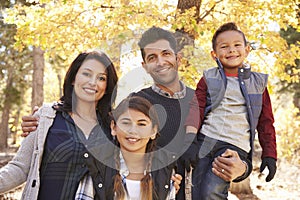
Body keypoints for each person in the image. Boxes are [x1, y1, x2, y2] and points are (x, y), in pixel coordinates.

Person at [20, 26, 251, 199]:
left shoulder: (204, 100)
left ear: (178, 58)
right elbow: (111, 151)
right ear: (145, 66)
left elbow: (232, 142)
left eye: (166, 54)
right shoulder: (136, 104)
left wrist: (242, 169)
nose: (160, 62)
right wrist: (45, 123)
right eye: (152, 58)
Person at [0, 50, 119, 199]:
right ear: (73, 78)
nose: (93, 82)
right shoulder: (46, 117)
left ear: (107, 86)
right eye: (86, 74)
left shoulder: (113, 127)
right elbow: (20, 168)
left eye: (101, 78)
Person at [184, 22, 277, 199]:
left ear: (247, 49)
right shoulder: (208, 78)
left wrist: (270, 156)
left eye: (237, 45)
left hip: (233, 146)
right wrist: (190, 141)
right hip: (206, 140)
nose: (231, 50)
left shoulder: (258, 84)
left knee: (212, 191)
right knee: (196, 192)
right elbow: (196, 109)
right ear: (214, 54)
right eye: (224, 47)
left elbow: (266, 123)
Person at [85, 96, 182, 199]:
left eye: (141, 124)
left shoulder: (164, 167)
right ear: (113, 127)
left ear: (153, 131)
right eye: (126, 123)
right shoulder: (96, 163)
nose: (133, 130)